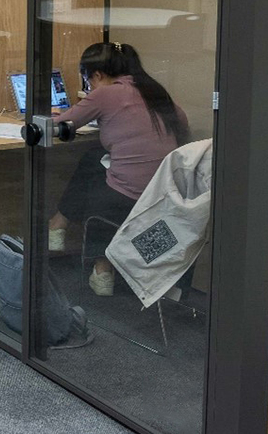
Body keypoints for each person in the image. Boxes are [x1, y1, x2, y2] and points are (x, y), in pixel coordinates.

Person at [48, 41, 190, 296]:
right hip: (164, 196)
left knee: (94, 168)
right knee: (95, 158)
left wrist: (57, 115)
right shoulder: (157, 92)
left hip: (126, 199)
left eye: (88, 81)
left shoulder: (105, 94)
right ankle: (95, 260)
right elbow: (182, 126)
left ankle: (68, 234)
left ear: (99, 75)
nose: (90, 88)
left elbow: (58, 125)